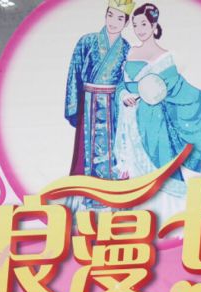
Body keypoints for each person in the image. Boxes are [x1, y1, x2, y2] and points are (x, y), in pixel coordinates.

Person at [113, 2, 201, 219]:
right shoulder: (130, 53)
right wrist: (124, 96)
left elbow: (177, 91)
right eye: (135, 25)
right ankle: (137, 221)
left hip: (155, 124)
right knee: (134, 174)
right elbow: (121, 85)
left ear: (154, 25)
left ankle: (166, 221)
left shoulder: (166, 57)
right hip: (130, 121)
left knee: (160, 170)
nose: (139, 29)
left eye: (144, 24)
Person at [64, 0, 134, 209]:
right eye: (110, 15)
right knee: (86, 153)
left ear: (126, 23)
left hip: (113, 107)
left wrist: (125, 95)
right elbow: (74, 73)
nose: (113, 21)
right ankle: (85, 201)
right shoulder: (87, 41)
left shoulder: (126, 48)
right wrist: (74, 106)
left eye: (120, 18)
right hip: (89, 105)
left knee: (114, 152)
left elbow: (124, 80)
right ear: (105, 15)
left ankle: (112, 199)